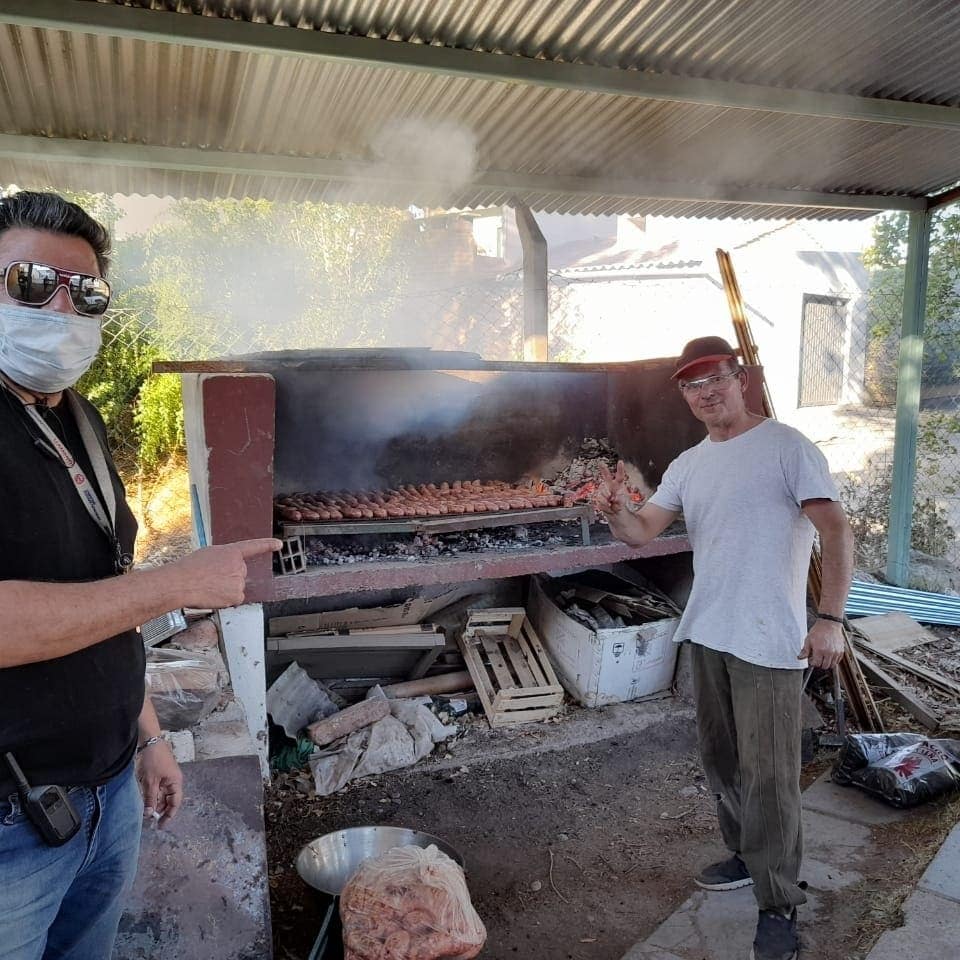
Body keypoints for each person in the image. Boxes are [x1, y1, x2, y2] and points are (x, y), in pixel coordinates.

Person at [0, 191, 280, 960]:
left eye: (84, 293)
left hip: (105, 794)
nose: (61, 308)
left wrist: (148, 736)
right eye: (29, 283)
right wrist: (178, 583)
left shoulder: (77, 420)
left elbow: (101, 589)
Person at [595, 335, 853, 960]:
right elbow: (641, 531)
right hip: (709, 630)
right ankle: (745, 854)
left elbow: (836, 529)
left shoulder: (787, 448)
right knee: (721, 760)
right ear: (684, 395)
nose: (706, 391)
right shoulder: (688, 465)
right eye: (692, 384)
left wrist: (830, 619)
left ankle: (779, 903)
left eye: (715, 378)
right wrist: (614, 511)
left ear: (742, 380)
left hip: (770, 639)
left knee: (770, 776)